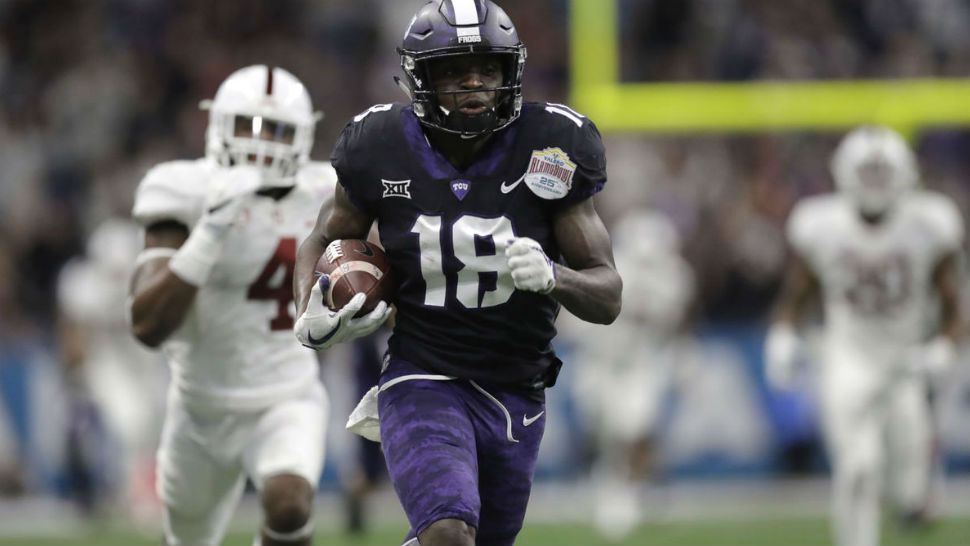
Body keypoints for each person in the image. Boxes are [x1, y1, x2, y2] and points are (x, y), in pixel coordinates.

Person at [292, 2, 622, 545]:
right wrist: (311, 306)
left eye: (488, 69)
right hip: (423, 374)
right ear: (421, 79)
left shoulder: (553, 145)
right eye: (454, 70)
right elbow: (321, 238)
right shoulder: (378, 146)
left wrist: (552, 277)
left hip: (517, 388)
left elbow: (608, 295)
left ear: (510, 72)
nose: (474, 83)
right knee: (447, 533)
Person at [128, 65, 335, 546]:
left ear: (303, 138)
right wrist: (211, 230)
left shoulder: (327, 192)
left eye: (278, 131)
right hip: (200, 408)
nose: (261, 143)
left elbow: (372, 275)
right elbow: (147, 325)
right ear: (216, 125)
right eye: (247, 125)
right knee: (188, 538)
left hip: (286, 394)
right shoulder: (184, 191)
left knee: (289, 502)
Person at [764, 125, 964, 546]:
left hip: (906, 360)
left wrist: (944, 346)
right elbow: (797, 293)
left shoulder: (930, 222)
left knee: (906, 494)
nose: (874, 184)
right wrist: (782, 335)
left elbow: (953, 303)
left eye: (882, 173)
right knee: (858, 466)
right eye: (867, 173)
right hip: (847, 354)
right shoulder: (821, 224)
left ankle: (921, 484)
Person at [566, 208, 694, 541]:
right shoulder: (607, 270)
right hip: (601, 361)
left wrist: (681, 356)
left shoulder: (676, 278)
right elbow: (574, 320)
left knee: (637, 426)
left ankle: (628, 493)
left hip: (641, 361)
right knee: (604, 431)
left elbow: (674, 324)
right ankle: (608, 484)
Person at [56, 218, 166, 520]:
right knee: (129, 423)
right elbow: (73, 333)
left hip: (144, 360)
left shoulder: (151, 279)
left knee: (153, 424)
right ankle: (112, 494)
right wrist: (76, 374)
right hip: (105, 363)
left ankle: (143, 491)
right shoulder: (81, 283)